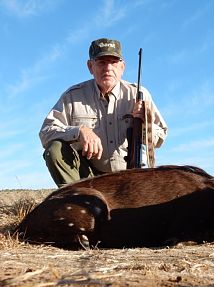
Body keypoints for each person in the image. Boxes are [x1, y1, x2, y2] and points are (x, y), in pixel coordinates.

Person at [39, 38, 168, 187]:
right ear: (90, 66)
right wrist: (79, 131)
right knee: (55, 149)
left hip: (132, 176)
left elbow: (162, 134)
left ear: (122, 67)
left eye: (113, 62)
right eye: (101, 62)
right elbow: (45, 132)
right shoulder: (72, 96)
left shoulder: (139, 94)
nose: (108, 68)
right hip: (90, 178)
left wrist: (147, 124)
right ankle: (78, 200)